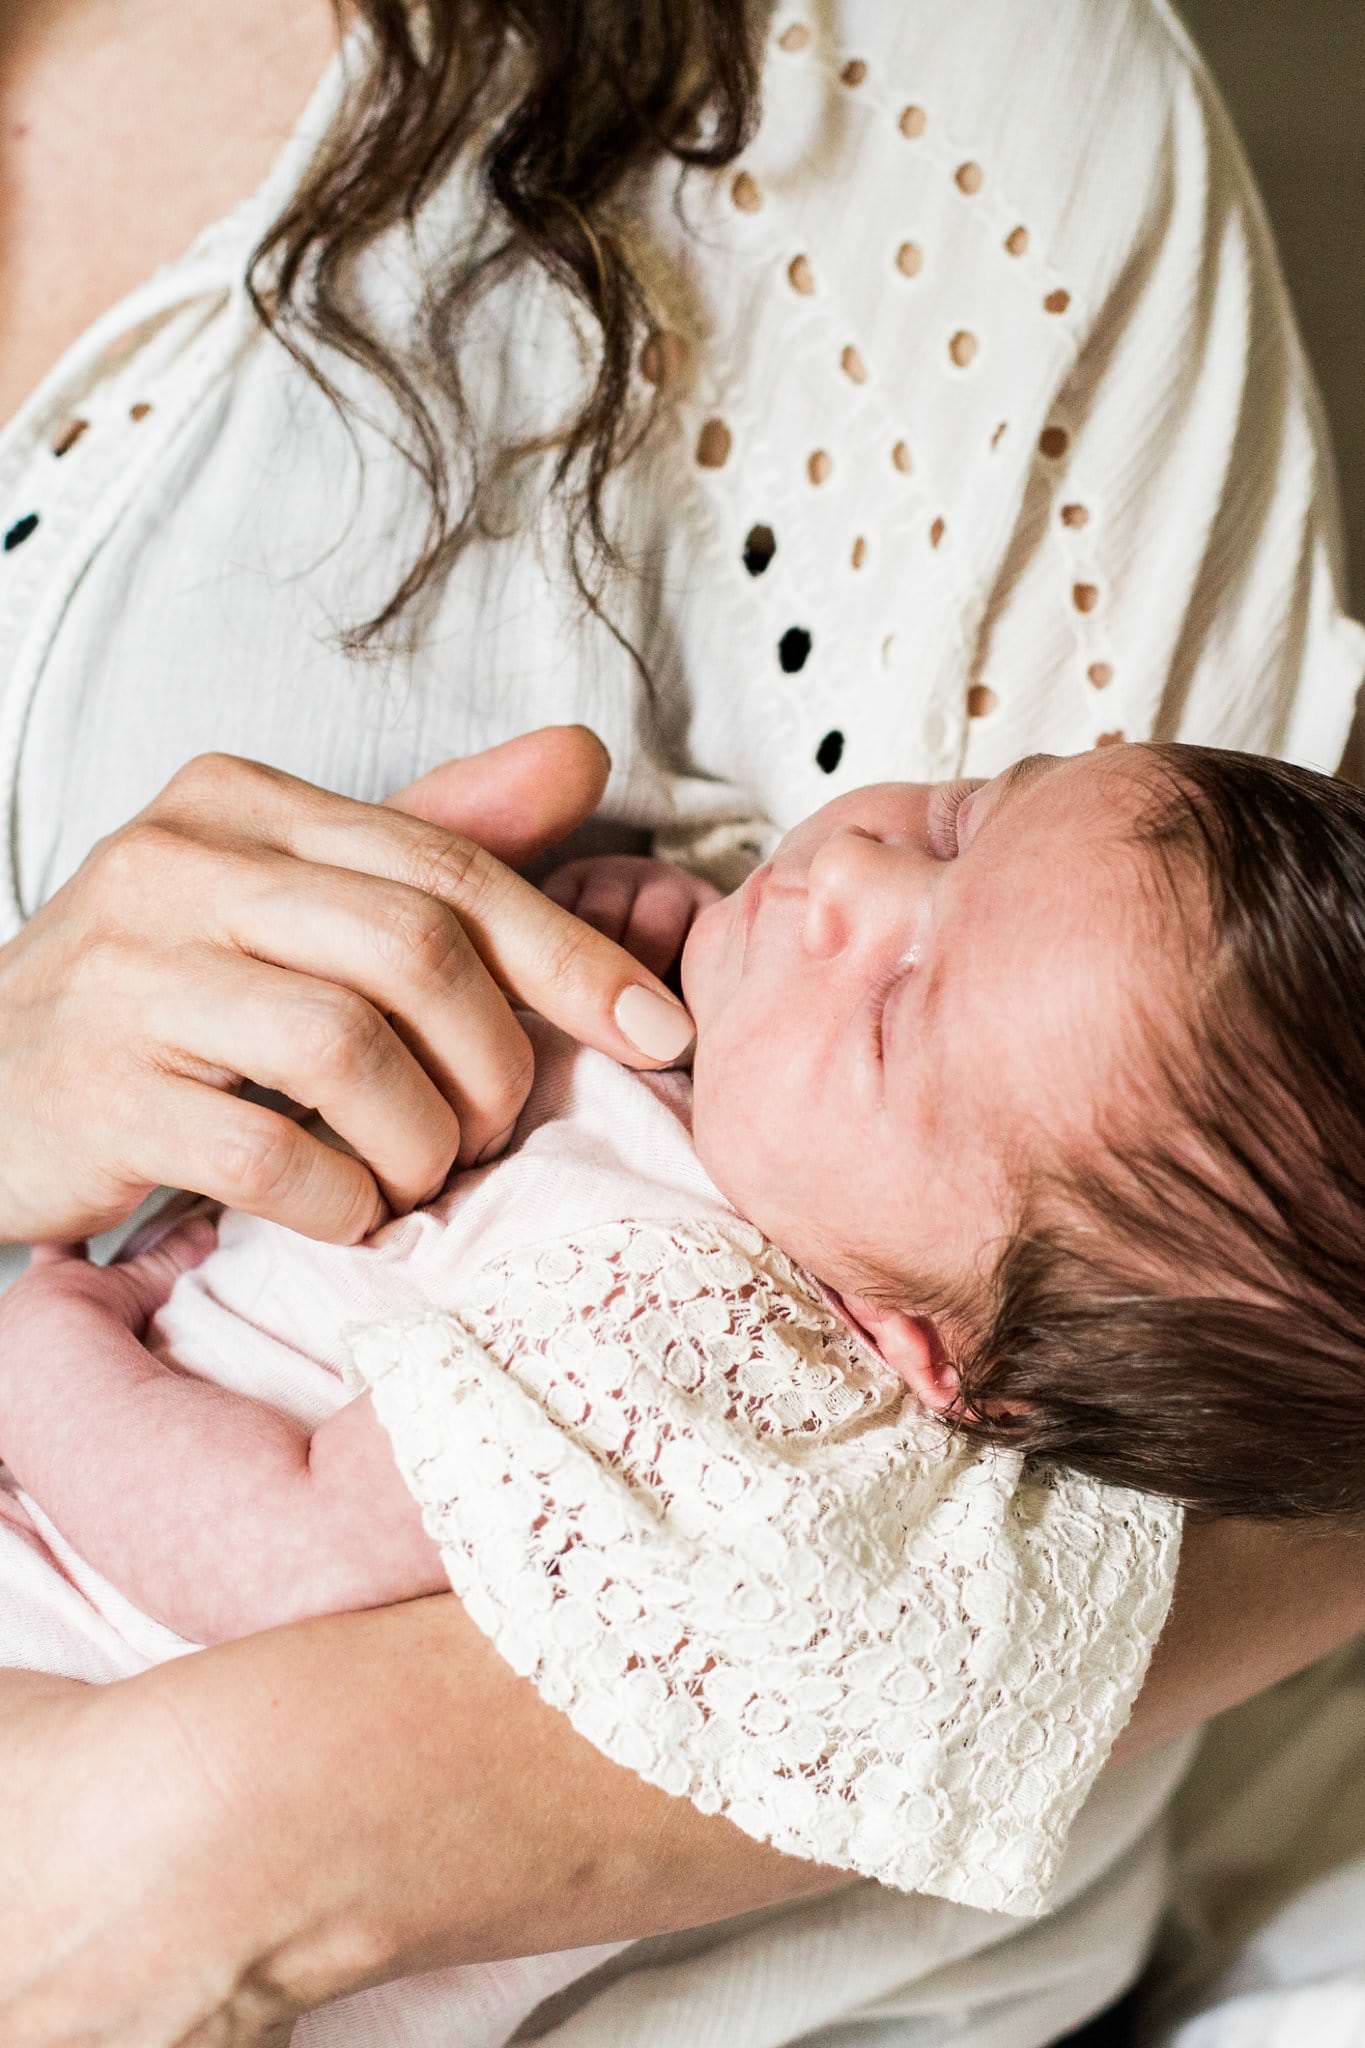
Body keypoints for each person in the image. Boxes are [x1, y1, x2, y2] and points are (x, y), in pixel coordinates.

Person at [2, 1, 1365, 2043]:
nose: (843, 877)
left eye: (902, 1001)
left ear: (921, 1354)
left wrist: (55, 1362)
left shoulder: (668, 1372)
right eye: (961, 819)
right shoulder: (791, 1108)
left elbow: (289, 1554)